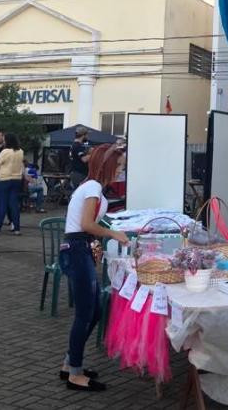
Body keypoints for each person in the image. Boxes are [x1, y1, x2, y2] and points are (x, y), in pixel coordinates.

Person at [58, 143, 129, 391]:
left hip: (79, 248)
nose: (121, 170)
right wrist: (113, 233)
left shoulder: (91, 187)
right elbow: (87, 224)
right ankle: (75, 374)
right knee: (86, 313)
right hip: (78, 248)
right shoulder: (93, 187)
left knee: (94, 311)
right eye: (119, 166)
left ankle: (70, 364)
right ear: (107, 165)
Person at [0, 133, 24, 236]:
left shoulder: (5, 151)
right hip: (16, 179)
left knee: (2, 205)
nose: (3, 141)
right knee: (14, 204)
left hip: (4, 179)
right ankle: (17, 228)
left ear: (8, 141)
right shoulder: (20, 151)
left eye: (4, 140)